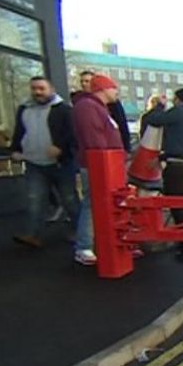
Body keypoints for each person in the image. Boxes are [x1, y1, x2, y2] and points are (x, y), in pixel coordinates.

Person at [10, 76, 78, 249]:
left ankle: (82, 232)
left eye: (41, 88)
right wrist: (15, 149)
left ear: (51, 89)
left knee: (69, 199)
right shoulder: (24, 109)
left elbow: (73, 133)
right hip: (34, 162)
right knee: (34, 199)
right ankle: (32, 234)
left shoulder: (63, 110)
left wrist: (60, 147)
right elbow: (19, 130)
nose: (37, 92)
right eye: (34, 88)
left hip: (60, 163)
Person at [143, 88, 183, 257]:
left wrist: (158, 106)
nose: (172, 102)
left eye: (173, 100)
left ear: (179, 100)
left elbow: (153, 120)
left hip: (175, 166)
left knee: (176, 204)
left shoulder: (179, 112)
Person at [71, 74, 125, 265]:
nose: (116, 91)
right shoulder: (88, 107)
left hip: (107, 165)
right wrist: (105, 161)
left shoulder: (99, 108)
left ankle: (100, 244)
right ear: (103, 88)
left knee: (101, 204)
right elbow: (94, 139)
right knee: (92, 203)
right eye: (113, 88)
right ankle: (83, 246)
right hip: (99, 165)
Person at [80, 70, 131, 153]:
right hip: (104, 157)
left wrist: (125, 148)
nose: (84, 84)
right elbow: (95, 138)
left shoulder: (112, 104)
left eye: (87, 81)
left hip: (112, 155)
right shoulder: (87, 106)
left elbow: (122, 124)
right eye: (82, 81)